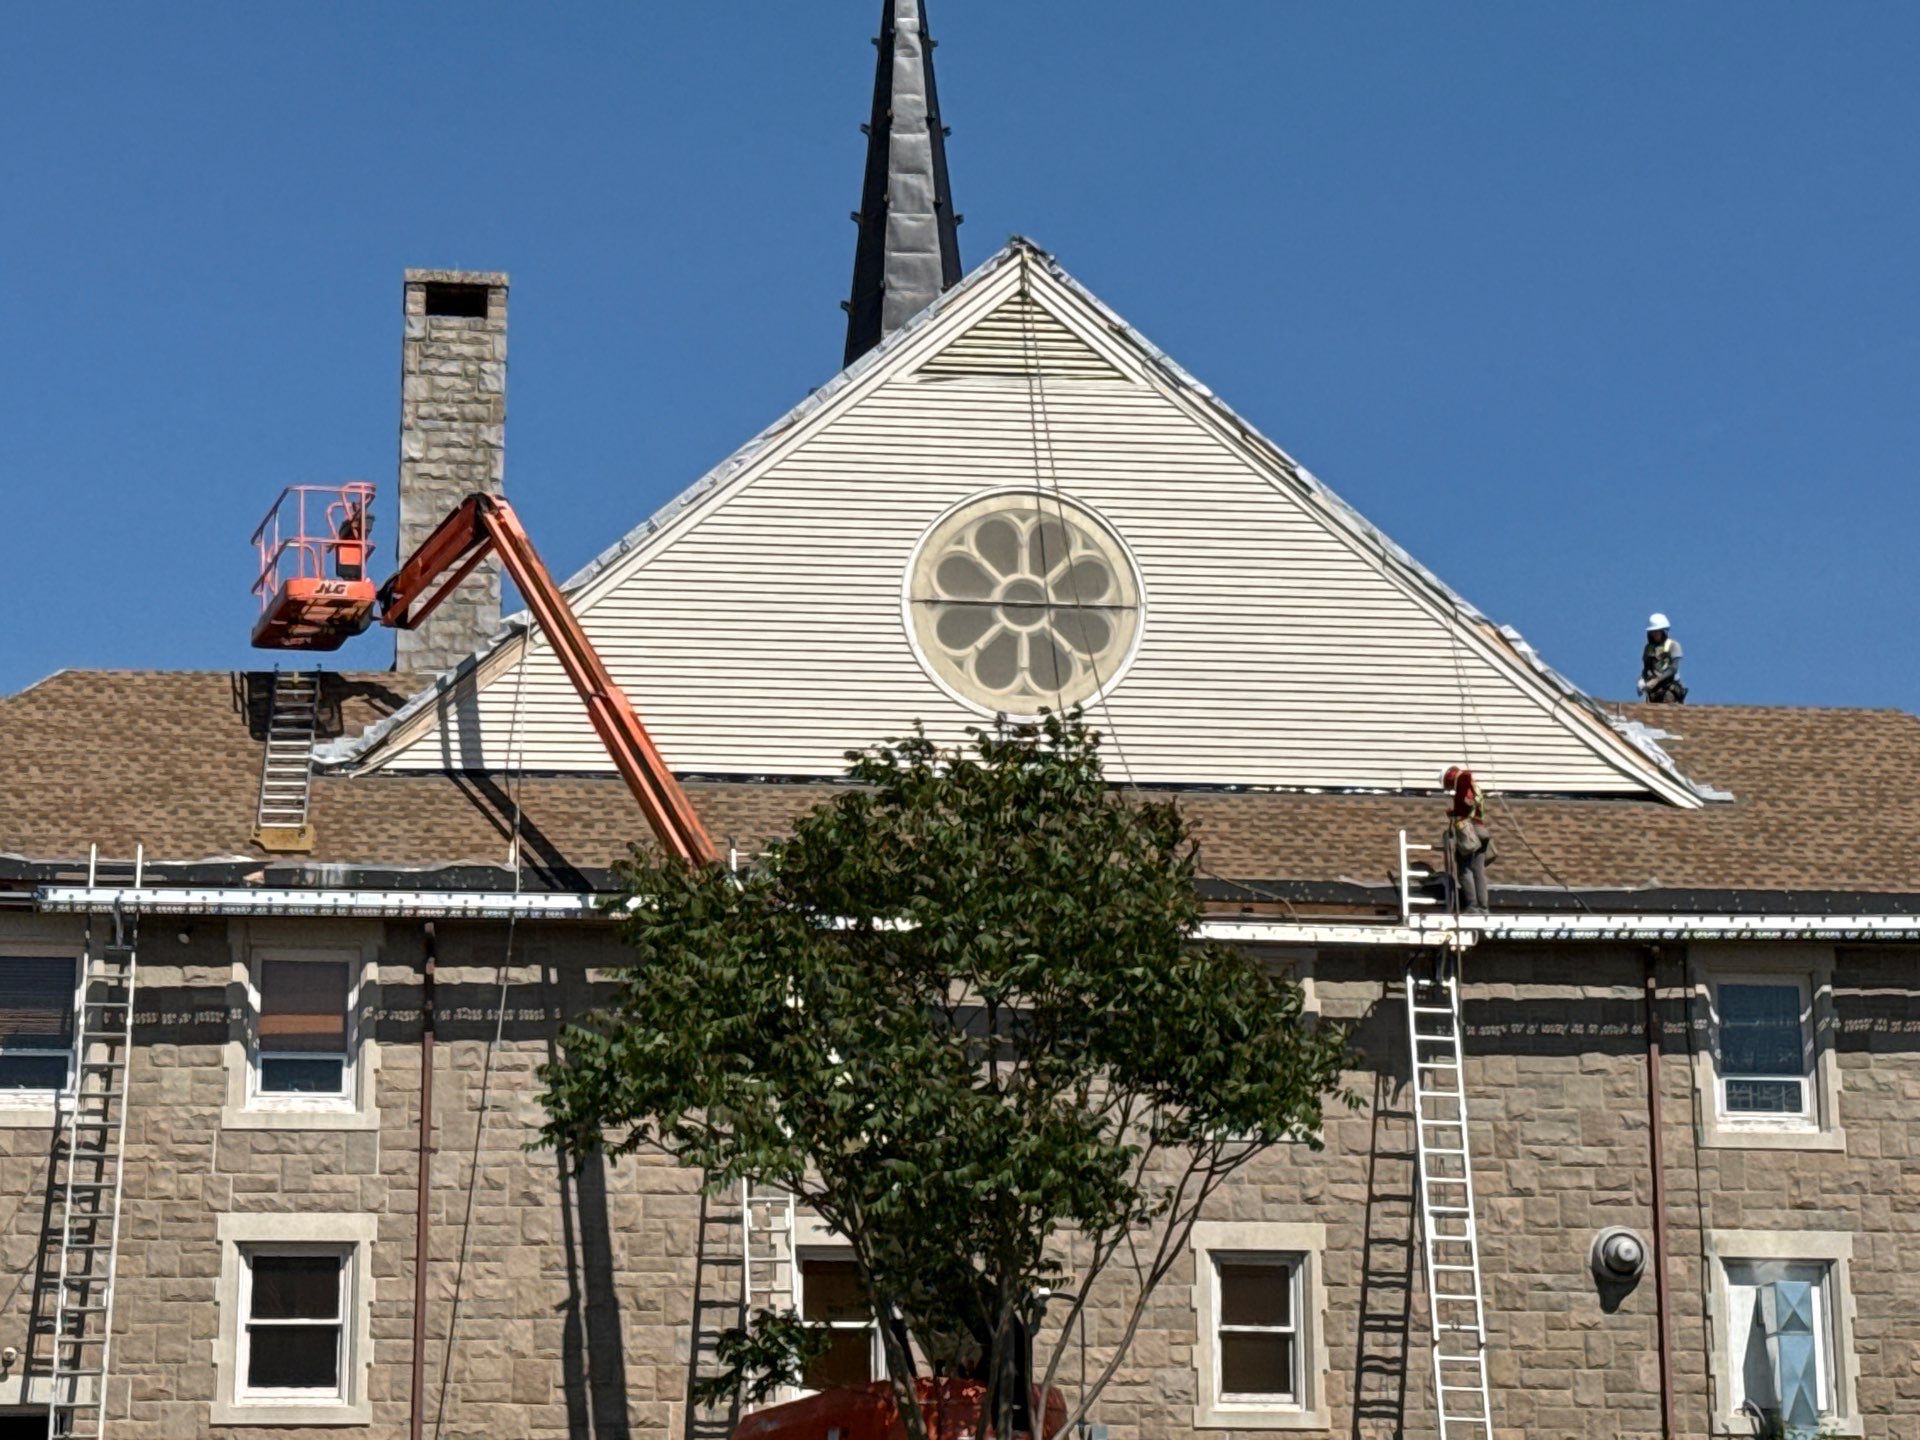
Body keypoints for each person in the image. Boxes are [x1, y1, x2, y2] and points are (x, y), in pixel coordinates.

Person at [1441, 765, 1490, 912]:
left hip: (1469, 831)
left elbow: (1465, 804)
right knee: (1478, 870)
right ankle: (1483, 906)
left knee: (1465, 870)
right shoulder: (1475, 784)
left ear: (1450, 776)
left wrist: (1455, 813)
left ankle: (1472, 906)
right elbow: (1471, 805)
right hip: (1482, 830)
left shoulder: (1463, 779)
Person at [1638, 613, 1687, 704]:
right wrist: (1641, 681)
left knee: (1667, 707)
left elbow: (1673, 668)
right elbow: (1646, 668)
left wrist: (1657, 680)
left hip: (1668, 688)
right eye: (1653, 632)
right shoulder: (1648, 649)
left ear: (1663, 631)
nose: (1655, 634)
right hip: (1653, 692)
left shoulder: (1672, 645)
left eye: (1658, 631)